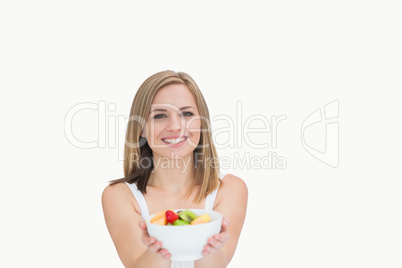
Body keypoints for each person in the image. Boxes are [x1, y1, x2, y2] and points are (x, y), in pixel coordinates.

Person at [102, 70, 248, 268]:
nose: (175, 126)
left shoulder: (230, 188)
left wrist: (212, 249)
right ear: (141, 129)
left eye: (187, 113)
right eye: (160, 115)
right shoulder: (119, 196)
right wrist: (157, 252)